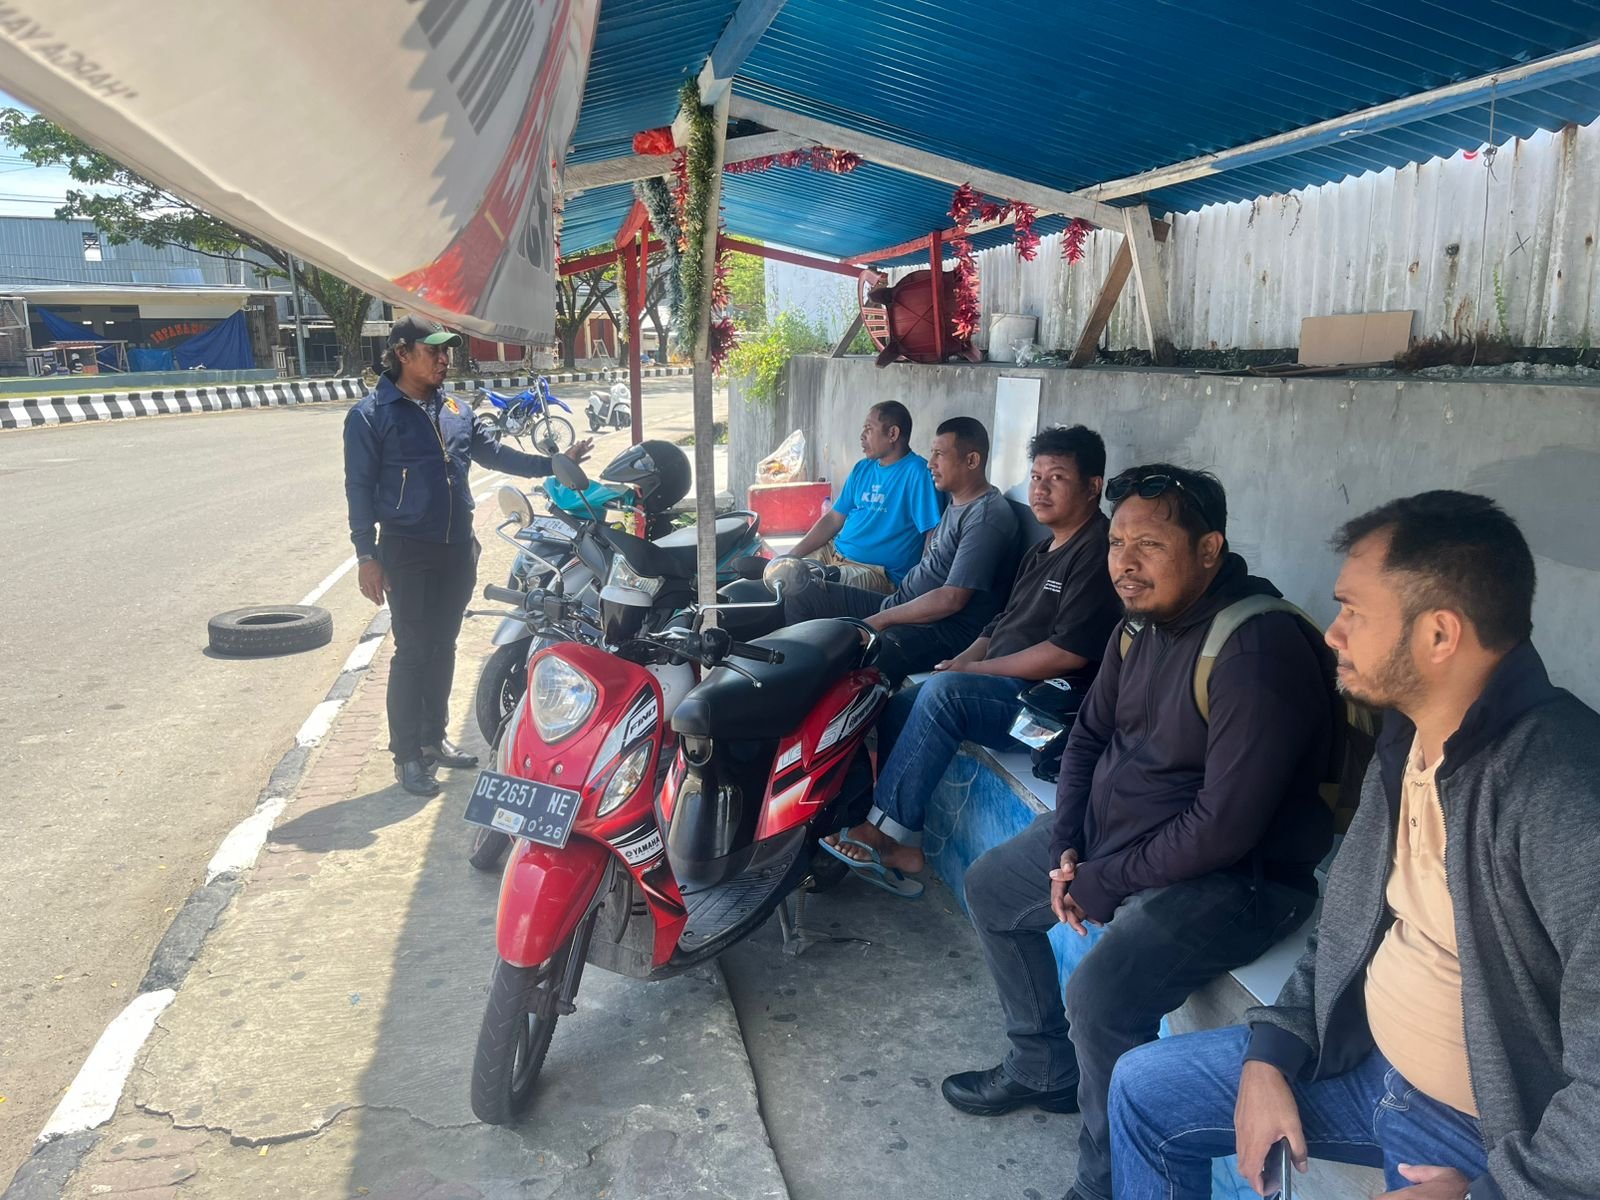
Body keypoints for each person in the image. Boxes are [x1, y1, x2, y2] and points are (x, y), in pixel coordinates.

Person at [1107, 490, 1600, 1200]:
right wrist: (1273, 1052)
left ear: (1439, 635)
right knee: (1143, 1087)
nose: (1333, 633)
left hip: (1488, 1128)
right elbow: (1346, 922)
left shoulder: (1564, 794)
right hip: (1364, 1060)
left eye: (1353, 612)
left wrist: (1496, 1192)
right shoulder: (1406, 739)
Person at [946, 464, 1337, 1200]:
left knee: (1101, 997)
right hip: (1115, 840)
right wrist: (1067, 842)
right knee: (993, 889)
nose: (1125, 563)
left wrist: (1105, 878)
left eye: (1149, 545)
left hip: (1237, 880)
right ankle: (1041, 1066)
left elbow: (1225, 826)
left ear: (1210, 549)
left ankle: (1104, 1181)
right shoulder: (1138, 625)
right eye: (1116, 543)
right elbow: (1087, 739)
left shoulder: (1255, 649)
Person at [820, 425, 1121, 896]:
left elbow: (1067, 653)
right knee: (900, 703)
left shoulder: (1096, 552)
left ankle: (884, 831)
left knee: (945, 696)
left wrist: (975, 671)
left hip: (1047, 709)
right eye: (1036, 477)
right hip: (1002, 682)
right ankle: (903, 836)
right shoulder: (1043, 549)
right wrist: (961, 660)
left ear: (1093, 486)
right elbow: (999, 623)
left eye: (1057, 478)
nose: (1040, 489)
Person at [343, 315, 592, 798]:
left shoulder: (455, 408)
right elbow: (358, 488)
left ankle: (433, 739)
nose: (444, 359)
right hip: (406, 550)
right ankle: (407, 755)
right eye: (433, 350)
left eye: (447, 350)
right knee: (413, 651)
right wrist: (365, 554)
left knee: (444, 645)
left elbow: (496, 454)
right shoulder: (371, 415)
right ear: (402, 353)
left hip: (456, 547)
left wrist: (553, 463)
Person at [783, 416, 1016, 684]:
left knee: (859, 655)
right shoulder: (958, 502)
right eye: (932, 453)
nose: (930, 463)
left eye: (940, 455)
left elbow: (951, 599)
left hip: (939, 630)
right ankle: (791, 682)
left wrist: (878, 621)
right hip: (900, 604)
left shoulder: (986, 517)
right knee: (802, 593)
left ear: (972, 461)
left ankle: (814, 695)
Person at [787, 401, 941, 594]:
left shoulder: (918, 472)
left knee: (808, 586)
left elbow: (932, 534)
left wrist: (918, 589)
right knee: (784, 574)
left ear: (892, 434)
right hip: (834, 553)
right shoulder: (862, 468)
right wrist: (790, 556)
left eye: (869, 429)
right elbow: (833, 519)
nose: (862, 436)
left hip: (875, 572)